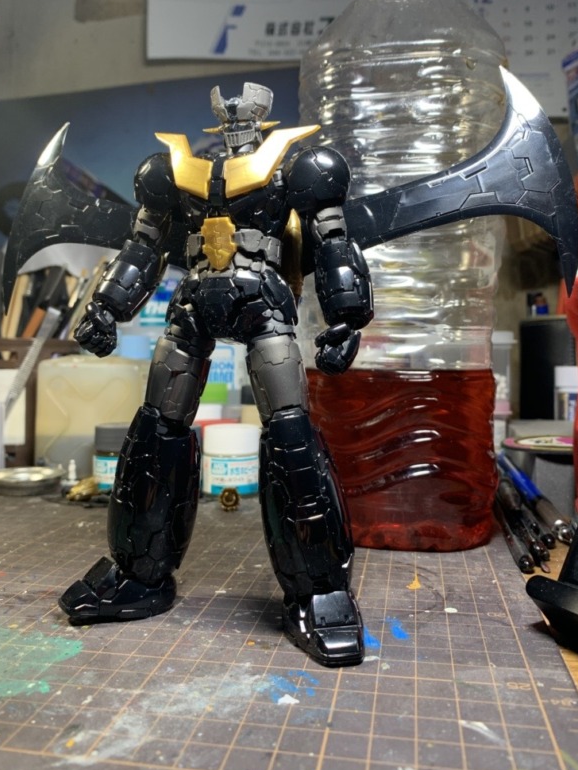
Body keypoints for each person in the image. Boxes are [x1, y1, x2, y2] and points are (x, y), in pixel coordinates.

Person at [59, 82, 373, 667]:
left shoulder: (298, 168)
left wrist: (347, 316)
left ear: (263, 113)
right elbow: (142, 248)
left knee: (290, 435)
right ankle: (139, 573)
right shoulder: (173, 172)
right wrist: (105, 307)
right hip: (194, 304)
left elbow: (333, 240)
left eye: (245, 107)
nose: (235, 114)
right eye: (226, 108)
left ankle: (319, 591)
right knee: (157, 430)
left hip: (264, 304)